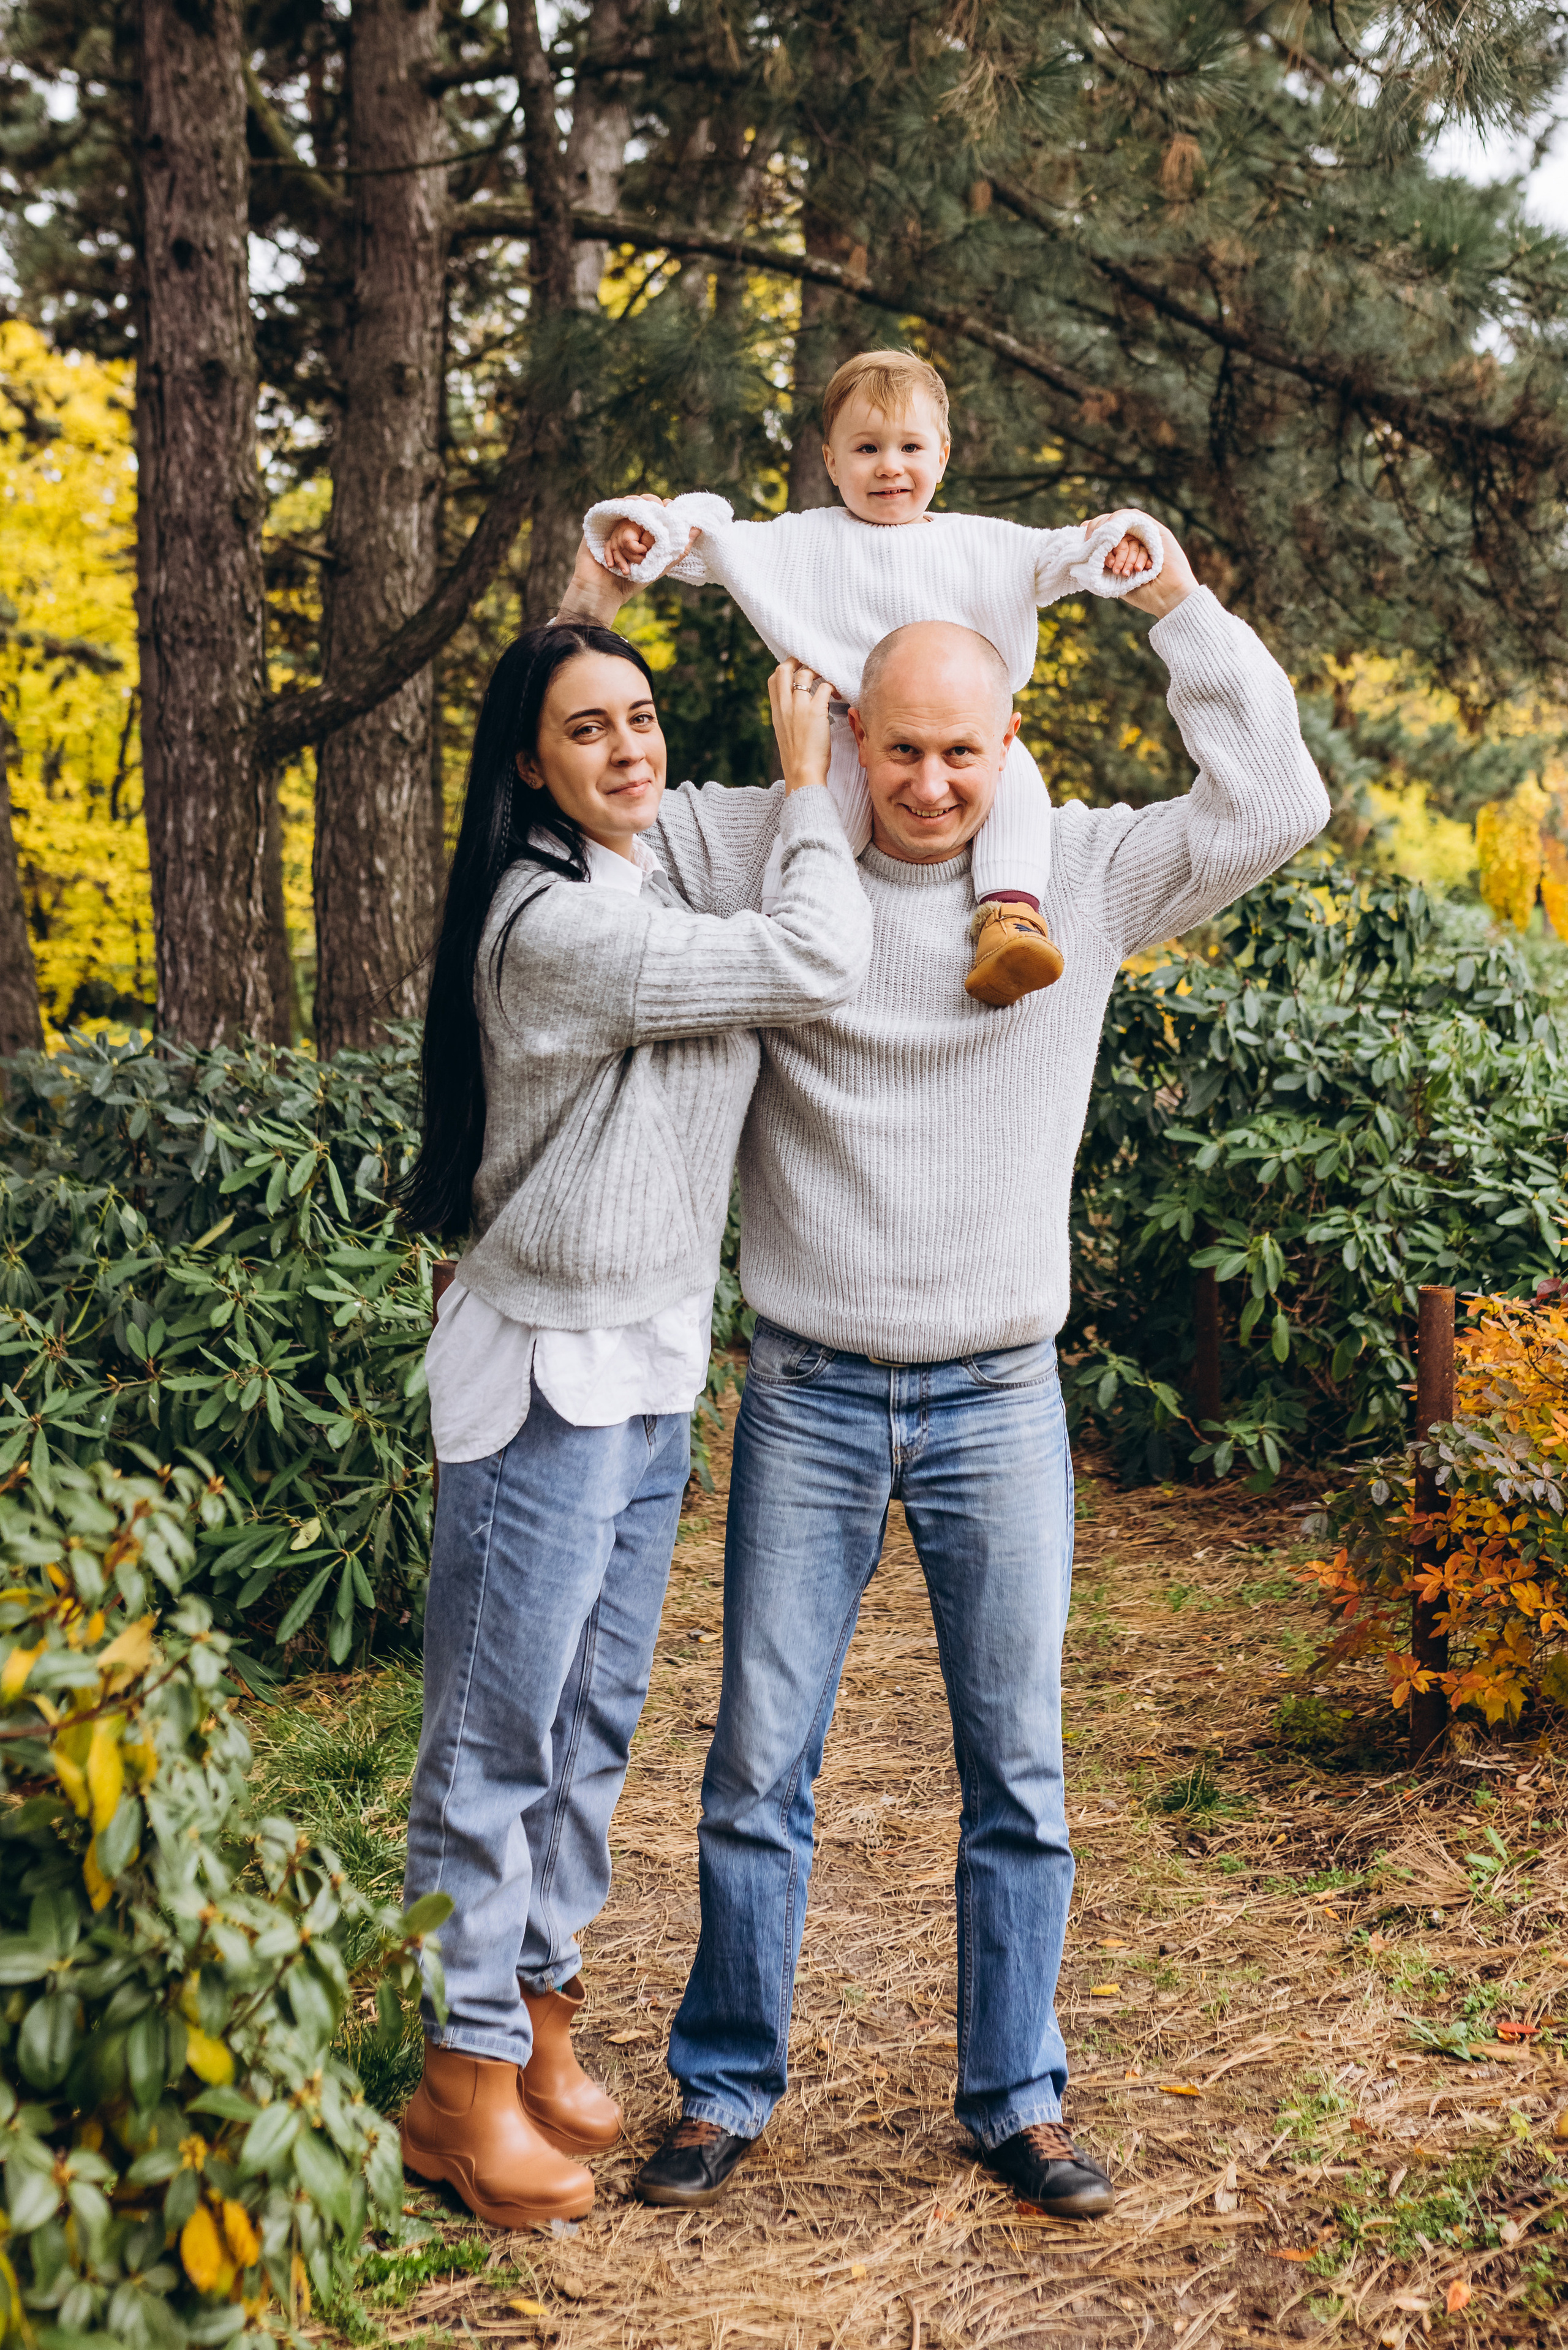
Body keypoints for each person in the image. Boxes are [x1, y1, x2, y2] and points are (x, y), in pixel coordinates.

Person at [555, 521, 1330, 2216]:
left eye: (960, 751)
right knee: (759, 1761)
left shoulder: (1087, 876)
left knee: (1021, 1769)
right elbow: (570, 804)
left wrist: (1177, 601)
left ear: (1009, 746)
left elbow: (1280, 800)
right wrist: (594, 602)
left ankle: (1016, 2095)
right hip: (813, 1387)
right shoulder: (766, 843)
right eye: (896, 748)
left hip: (999, 1390)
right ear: (845, 731)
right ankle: (725, 2084)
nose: (926, 783)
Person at [394, 611, 872, 2230]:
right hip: (544, 1372)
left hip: (654, 1356)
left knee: (591, 1729)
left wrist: (614, 569)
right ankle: (457, 2086)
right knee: (497, 1735)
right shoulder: (553, 927)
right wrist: (809, 787)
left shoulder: (642, 878)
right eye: (586, 727)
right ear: (528, 762)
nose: (630, 748)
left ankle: (536, 2016)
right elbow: (814, 953)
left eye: (643, 717)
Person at [585, 347, 1161, 1011]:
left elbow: (1066, 551)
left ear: (942, 456)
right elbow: (715, 544)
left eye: (910, 446)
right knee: (814, 829)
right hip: (845, 733)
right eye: (865, 449)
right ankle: (782, 932)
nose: (890, 465)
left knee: (1018, 788)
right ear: (831, 462)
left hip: (966, 736)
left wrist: (1117, 543)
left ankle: (1010, 916)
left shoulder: (983, 544)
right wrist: (651, 534)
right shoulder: (804, 542)